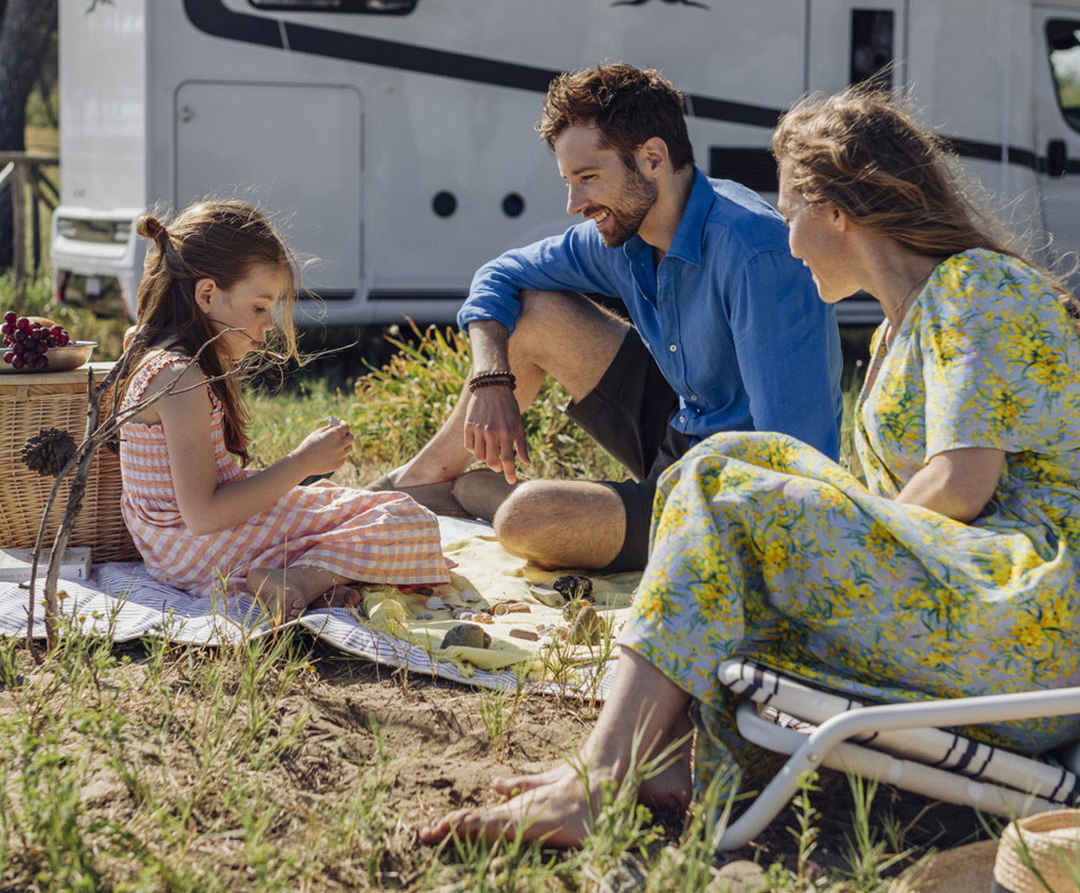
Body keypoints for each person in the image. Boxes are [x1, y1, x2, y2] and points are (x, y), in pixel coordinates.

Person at [419, 86, 1080, 849]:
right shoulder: (902, 333)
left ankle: (601, 781)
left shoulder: (977, 286)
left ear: (838, 210)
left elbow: (961, 486)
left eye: (792, 210)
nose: (788, 241)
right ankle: (663, 758)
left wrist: (789, 538)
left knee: (727, 481)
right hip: (969, 609)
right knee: (726, 471)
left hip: (1032, 623)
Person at [371, 63, 843, 572]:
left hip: (732, 490)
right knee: (533, 313)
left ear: (653, 158)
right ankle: (419, 486)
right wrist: (490, 376)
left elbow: (799, 460)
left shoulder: (755, 253)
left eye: (588, 178)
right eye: (569, 181)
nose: (575, 204)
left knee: (528, 521)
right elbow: (499, 274)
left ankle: (490, 497)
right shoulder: (624, 232)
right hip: (681, 426)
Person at [116, 200, 450, 622]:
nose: (269, 323)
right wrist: (301, 463)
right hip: (197, 551)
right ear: (206, 295)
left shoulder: (155, 353)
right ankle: (303, 582)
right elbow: (202, 515)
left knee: (339, 506)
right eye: (259, 307)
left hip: (176, 552)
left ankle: (300, 580)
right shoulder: (181, 377)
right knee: (407, 518)